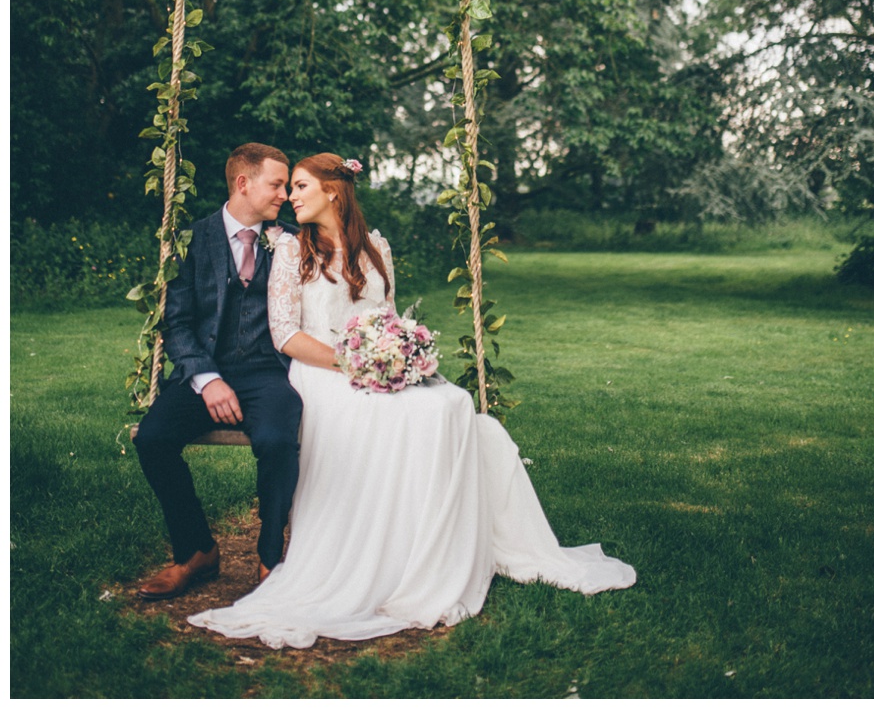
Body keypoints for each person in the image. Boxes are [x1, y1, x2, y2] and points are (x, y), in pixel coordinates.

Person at [190, 153, 634, 646]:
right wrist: (353, 363)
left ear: (333, 191)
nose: (289, 197)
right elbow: (285, 336)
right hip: (320, 371)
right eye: (288, 187)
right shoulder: (293, 252)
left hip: (372, 364)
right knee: (409, 412)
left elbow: (390, 315)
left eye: (299, 186)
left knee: (455, 405)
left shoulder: (376, 247)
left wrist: (402, 356)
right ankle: (389, 549)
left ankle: (433, 547)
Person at [135, 144, 303, 598]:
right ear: (243, 184)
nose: (285, 194)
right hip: (206, 372)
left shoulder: (290, 240)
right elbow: (178, 323)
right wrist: (207, 380)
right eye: (277, 184)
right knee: (152, 439)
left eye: (287, 185)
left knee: (276, 441)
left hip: (270, 372)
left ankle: (270, 560)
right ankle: (196, 552)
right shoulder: (192, 240)